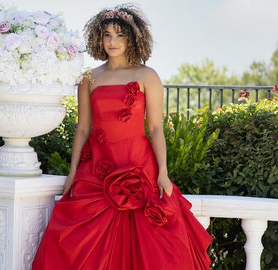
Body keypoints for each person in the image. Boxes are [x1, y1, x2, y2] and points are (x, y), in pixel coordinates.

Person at [32, 4, 212, 269]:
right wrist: (72, 172)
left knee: (153, 243)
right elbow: (83, 128)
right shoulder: (89, 78)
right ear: (98, 38)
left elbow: (156, 129)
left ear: (132, 38)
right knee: (79, 241)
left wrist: (162, 173)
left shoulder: (147, 75)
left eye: (119, 35)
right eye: (107, 35)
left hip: (138, 164)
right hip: (97, 167)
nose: (112, 42)